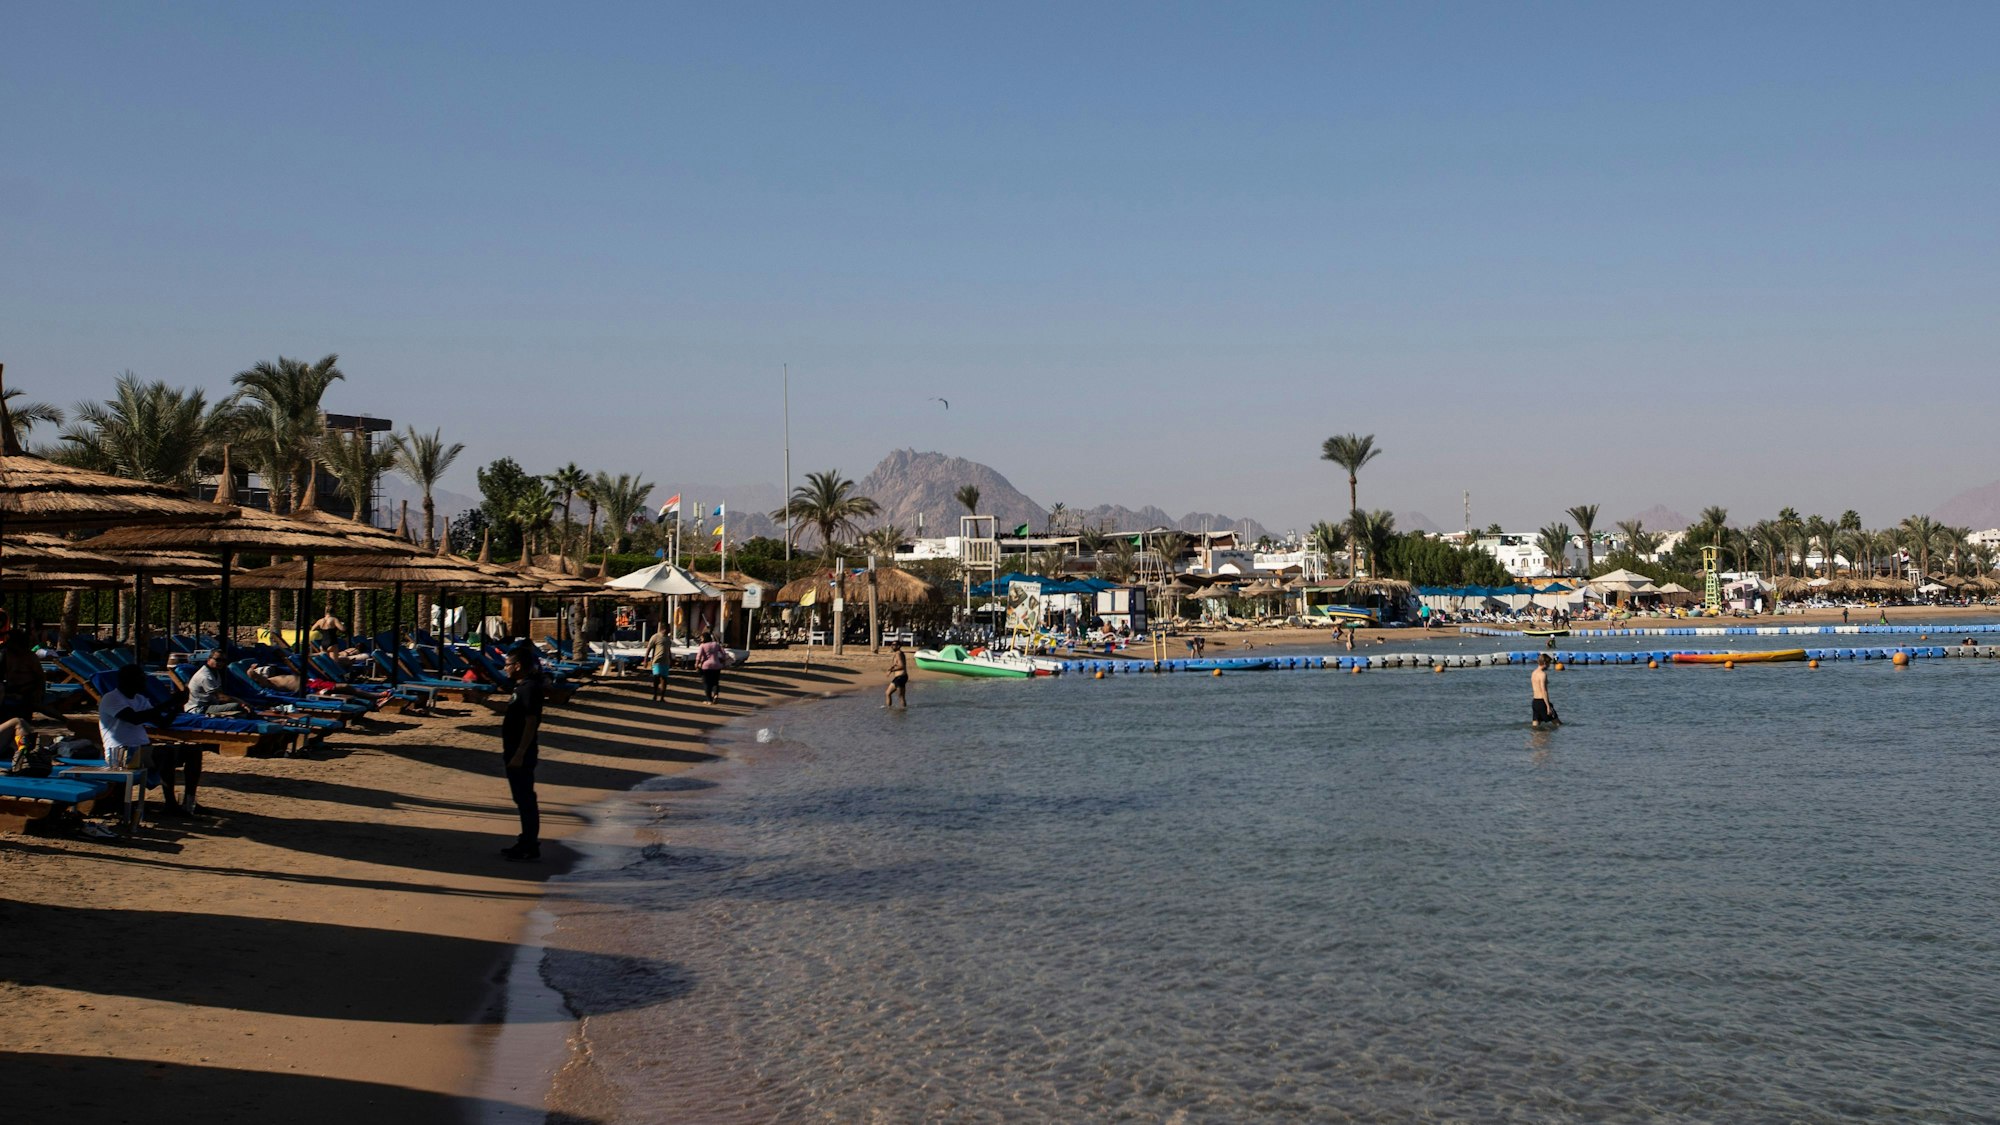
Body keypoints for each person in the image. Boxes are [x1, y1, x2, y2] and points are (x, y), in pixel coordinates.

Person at [499, 642, 546, 862]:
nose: (505, 668)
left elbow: (530, 722)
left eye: (507, 664)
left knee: (525, 798)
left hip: (521, 751)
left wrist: (519, 753)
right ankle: (527, 841)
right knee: (523, 797)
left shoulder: (528, 688)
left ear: (517, 666)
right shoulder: (524, 686)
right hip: (516, 749)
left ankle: (529, 843)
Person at [0, 627, 46, 727]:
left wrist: (40, 691)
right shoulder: (6, 654)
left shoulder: (30, 657)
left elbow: (40, 676)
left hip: (26, 689)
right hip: (11, 687)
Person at [184, 650, 246, 717]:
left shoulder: (214, 672)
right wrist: (243, 703)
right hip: (199, 708)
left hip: (210, 705)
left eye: (223, 660)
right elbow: (220, 697)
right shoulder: (205, 676)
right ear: (209, 660)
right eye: (218, 660)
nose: (220, 663)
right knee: (236, 705)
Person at [695, 630, 729, 705]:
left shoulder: (702, 646)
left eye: (701, 638)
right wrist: (723, 660)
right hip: (717, 666)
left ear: (704, 638)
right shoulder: (716, 644)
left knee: (707, 683)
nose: (701, 639)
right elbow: (723, 652)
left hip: (706, 666)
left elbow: (699, 656)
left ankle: (709, 700)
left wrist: (696, 664)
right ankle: (716, 694)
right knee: (715, 682)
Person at [1530, 653, 1561, 729]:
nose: (1549, 666)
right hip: (1542, 702)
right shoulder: (1543, 674)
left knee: (1535, 727)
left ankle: (1535, 740)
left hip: (1535, 702)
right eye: (1549, 664)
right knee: (1558, 724)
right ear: (1544, 663)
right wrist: (1548, 706)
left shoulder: (1533, 673)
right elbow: (1544, 691)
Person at [644, 625, 672, 703]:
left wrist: (671, 659)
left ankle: (662, 697)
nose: (670, 631)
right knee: (656, 678)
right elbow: (649, 648)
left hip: (665, 662)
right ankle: (655, 694)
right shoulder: (655, 637)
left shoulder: (668, 639)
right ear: (664, 629)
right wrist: (645, 660)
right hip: (657, 661)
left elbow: (668, 650)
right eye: (669, 629)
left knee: (664, 679)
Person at [885, 640, 909, 708]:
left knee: (899, 696)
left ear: (898, 646)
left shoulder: (898, 654)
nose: (892, 646)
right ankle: (902, 710)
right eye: (892, 644)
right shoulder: (899, 653)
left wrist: (891, 670)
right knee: (889, 693)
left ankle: (900, 711)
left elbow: (901, 666)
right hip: (901, 677)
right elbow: (897, 664)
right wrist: (891, 668)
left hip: (900, 677)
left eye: (894, 645)